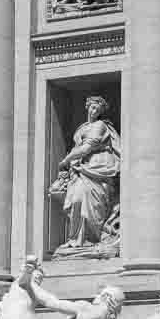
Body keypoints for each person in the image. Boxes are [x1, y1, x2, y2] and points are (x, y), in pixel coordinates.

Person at [52, 95, 121, 250]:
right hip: (81, 169)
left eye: (98, 108)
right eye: (92, 107)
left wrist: (65, 160)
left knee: (92, 203)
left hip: (98, 167)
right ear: (87, 107)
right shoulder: (82, 128)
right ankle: (75, 238)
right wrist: (72, 162)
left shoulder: (100, 126)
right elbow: (79, 147)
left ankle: (91, 238)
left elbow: (87, 148)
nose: (94, 110)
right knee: (76, 199)